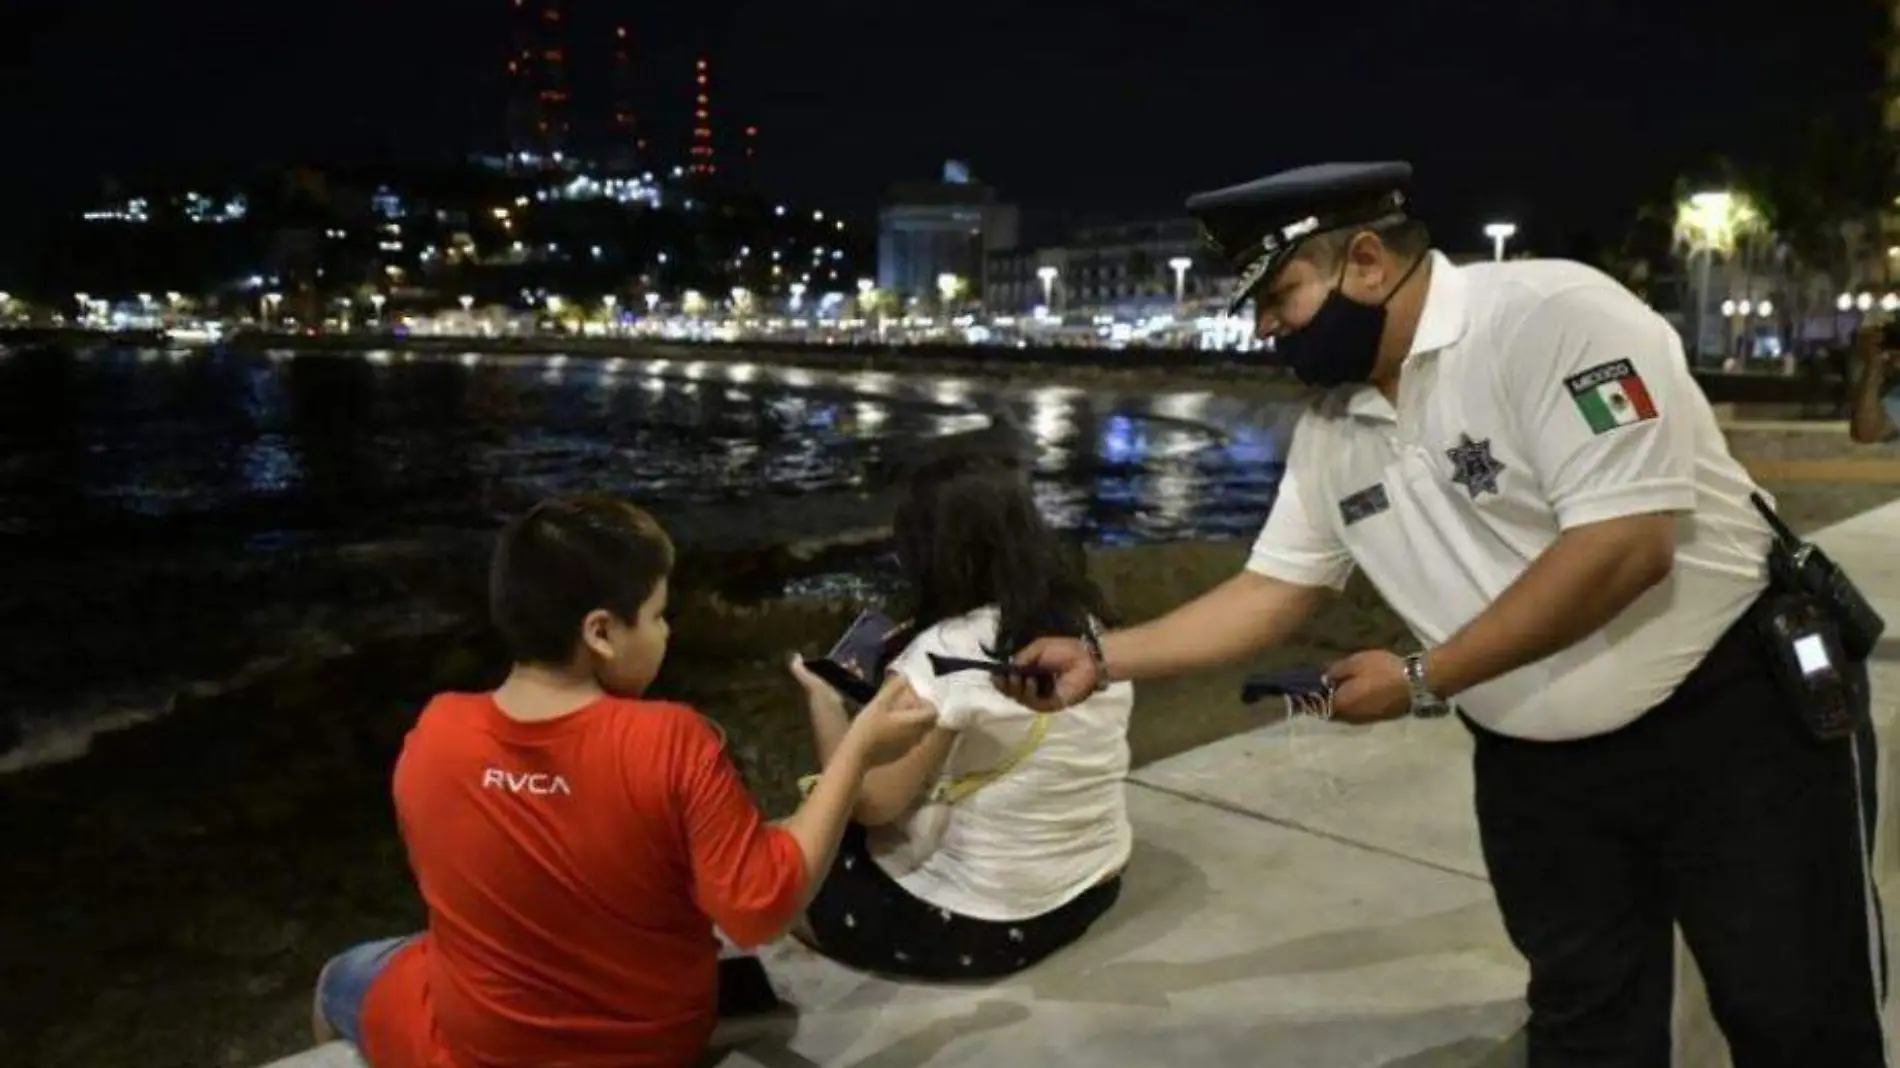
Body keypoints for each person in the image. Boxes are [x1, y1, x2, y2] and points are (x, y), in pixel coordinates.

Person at [1001, 162, 1889, 1067]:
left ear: (1369, 261)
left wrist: (1425, 676)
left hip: (1735, 730)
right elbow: (1274, 590)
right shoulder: (1333, 430)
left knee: (1798, 1017)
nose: (1264, 326)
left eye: (1279, 294)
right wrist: (1103, 659)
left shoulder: (1554, 318)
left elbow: (1625, 546)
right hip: (1537, 770)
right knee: (1585, 1019)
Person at [311, 495, 937, 1068]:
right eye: (659, 616)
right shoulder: (670, 740)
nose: (667, 633)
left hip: (482, 1051)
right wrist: (856, 749)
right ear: (602, 632)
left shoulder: (435, 732)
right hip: (650, 1044)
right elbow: (759, 908)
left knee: (341, 975)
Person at [790, 443, 1132, 980]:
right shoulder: (1093, 629)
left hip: (983, 925)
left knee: (778, 863)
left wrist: (823, 700)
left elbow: (872, 804)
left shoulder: (944, 650)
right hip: (1091, 886)